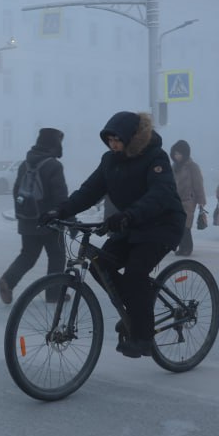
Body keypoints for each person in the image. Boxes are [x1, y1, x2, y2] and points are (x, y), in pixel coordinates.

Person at [41, 111, 184, 359]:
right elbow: (89, 191)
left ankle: (143, 336)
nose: (113, 144)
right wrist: (60, 210)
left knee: (136, 273)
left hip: (162, 224)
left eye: (117, 140)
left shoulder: (155, 156)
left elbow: (160, 194)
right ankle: (138, 310)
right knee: (100, 265)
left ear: (132, 138)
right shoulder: (110, 161)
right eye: (109, 140)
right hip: (130, 224)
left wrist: (129, 215)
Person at [0, 127, 68, 305]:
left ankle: (8, 280)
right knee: (57, 256)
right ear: (54, 144)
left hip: (27, 219)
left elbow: (16, 191)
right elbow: (61, 197)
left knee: (28, 255)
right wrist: (67, 218)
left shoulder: (25, 164)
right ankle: (53, 294)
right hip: (50, 221)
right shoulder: (53, 165)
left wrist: (23, 215)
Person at [169, 139, 206, 257]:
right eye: (175, 153)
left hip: (189, 200)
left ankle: (188, 248)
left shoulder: (192, 167)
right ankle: (182, 247)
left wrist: (201, 201)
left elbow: (198, 184)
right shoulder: (174, 167)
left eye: (179, 153)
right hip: (176, 201)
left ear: (185, 154)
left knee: (186, 226)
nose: (176, 156)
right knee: (178, 226)